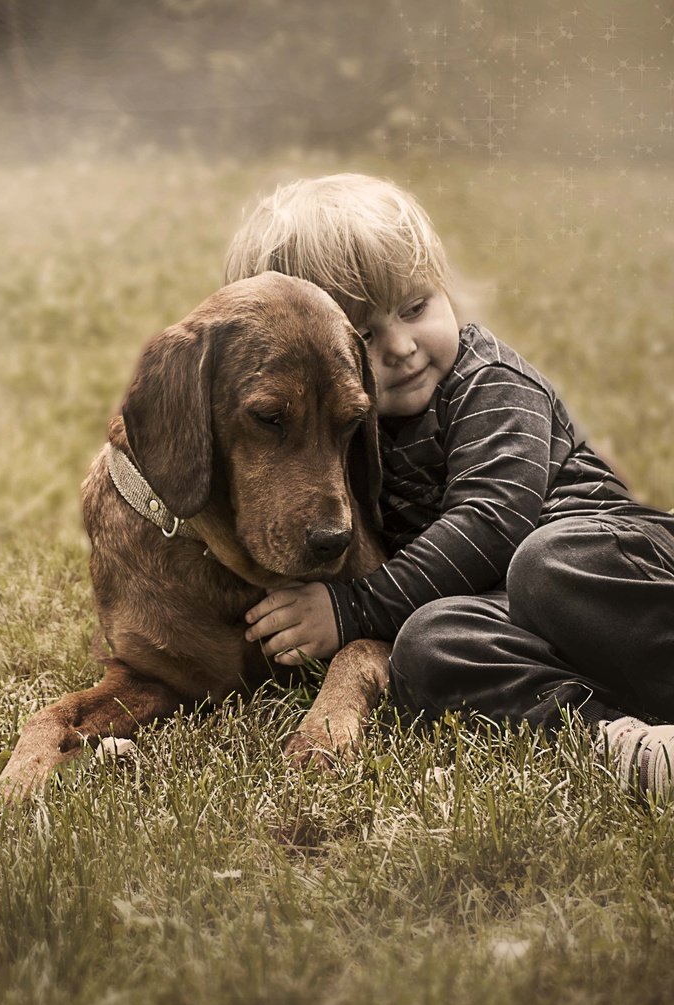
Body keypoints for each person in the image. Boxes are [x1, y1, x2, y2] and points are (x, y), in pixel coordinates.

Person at [224, 172, 674, 801]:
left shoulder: (490, 384)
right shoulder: (341, 433)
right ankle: (626, 742)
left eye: (415, 307)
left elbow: (492, 523)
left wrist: (352, 610)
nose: (403, 347)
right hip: (515, 618)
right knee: (429, 645)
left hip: (614, 572)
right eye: (365, 334)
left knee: (544, 565)